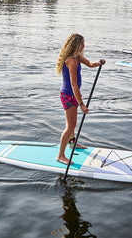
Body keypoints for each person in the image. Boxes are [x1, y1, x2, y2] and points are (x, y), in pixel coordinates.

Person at [55, 33, 105, 165]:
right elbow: (73, 84)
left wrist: (98, 63)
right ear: (76, 44)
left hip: (73, 94)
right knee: (70, 125)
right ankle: (60, 155)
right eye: (82, 43)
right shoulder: (71, 60)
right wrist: (81, 104)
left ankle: (72, 144)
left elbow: (89, 64)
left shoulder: (77, 57)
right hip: (68, 94)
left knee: (73, 124)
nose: (84, 45)